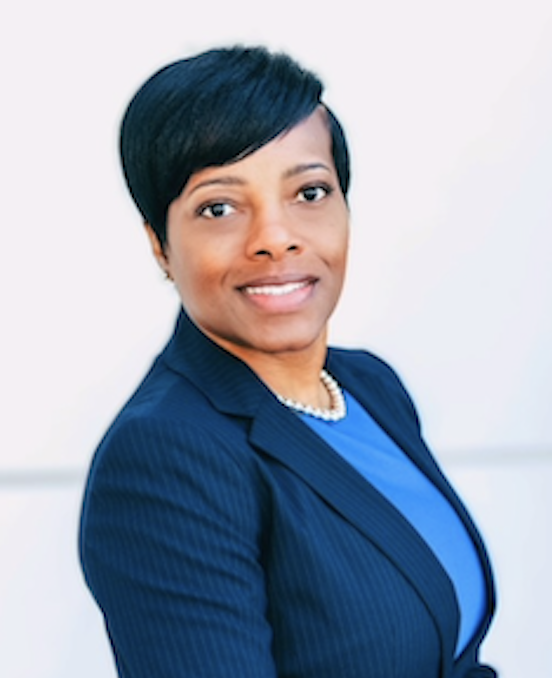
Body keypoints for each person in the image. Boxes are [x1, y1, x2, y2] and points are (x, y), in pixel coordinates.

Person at [79, 46, 498, 678]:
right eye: (219, 207)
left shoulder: (369, 386)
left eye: (309, 191)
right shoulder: (165, 458)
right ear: (161, 247)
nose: (276, 236)